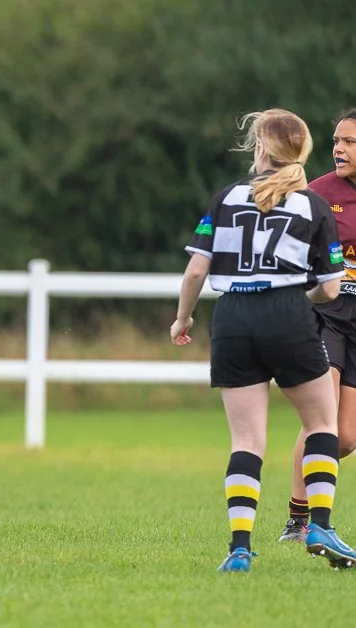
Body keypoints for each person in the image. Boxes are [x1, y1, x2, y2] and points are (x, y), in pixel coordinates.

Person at [172, 108, 356, 572]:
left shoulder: (226, 197)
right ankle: (317, 523)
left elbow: (196, 269)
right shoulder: (312, 203)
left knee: (246, 441)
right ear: (303, 153)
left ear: (259, 149)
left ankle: (238, 549)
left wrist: (182, 319)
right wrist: (305, 290)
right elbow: (329, 288)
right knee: (321, 425)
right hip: (290, 318)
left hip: (232, 320)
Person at [279, 107, 356, 543]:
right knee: (320, 418)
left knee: (345, 438)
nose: (338, 149)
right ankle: (299, 519)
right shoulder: (319, 192)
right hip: (327, 316)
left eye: (349, 142)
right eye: (336, 141)